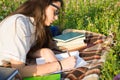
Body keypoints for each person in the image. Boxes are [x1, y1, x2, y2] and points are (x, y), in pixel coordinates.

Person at [0, 0, 77, 78]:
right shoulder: (18, 24)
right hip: (3, 70)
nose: (56, 18)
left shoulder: (36, 24)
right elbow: (18, 71)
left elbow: (23, 49)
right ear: (43, 4)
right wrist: (60, 65)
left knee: (55, 30)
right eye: (55, 11)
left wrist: (43, 52)